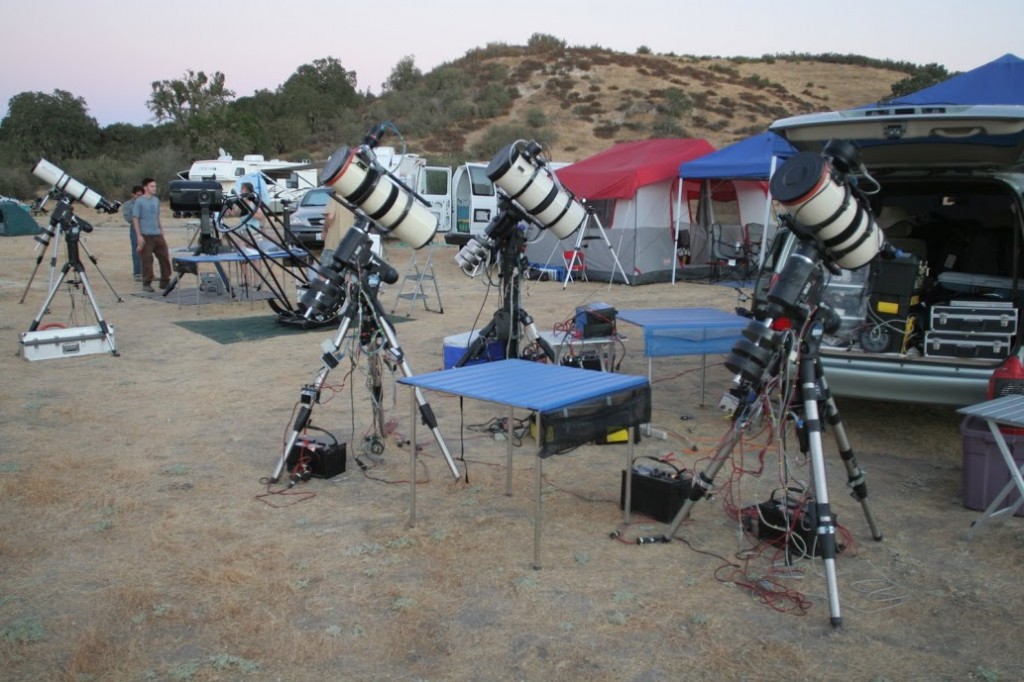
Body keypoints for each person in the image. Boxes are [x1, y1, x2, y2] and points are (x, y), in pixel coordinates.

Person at [132, 178, 172, 292]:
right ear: (145, 188)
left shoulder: (156, 200)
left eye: (155, 186)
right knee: (147, 260)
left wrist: (161, 229)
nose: (154, 188)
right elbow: (135, 218)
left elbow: (157, 216)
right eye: (152, 186)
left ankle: (165, 281)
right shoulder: (139, 201)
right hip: (146, 234)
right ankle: (147, 282)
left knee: (164, 257)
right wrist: (139, 235)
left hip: (157, 234)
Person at [122, 185, 144, 281]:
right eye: (138, 195)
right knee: (137, 251)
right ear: (133, 195)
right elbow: (128, 218)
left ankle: (147, 272)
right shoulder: (128, 205)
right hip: (135, 229)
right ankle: (138, 273)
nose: (140, 197)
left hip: (147, 228)